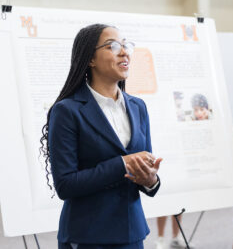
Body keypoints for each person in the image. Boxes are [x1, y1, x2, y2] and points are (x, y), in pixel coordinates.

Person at [39, 24, 163, 249]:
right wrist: (122, 164)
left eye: (126, 45)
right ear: (90, 59)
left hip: (132, 233)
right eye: (113, 46)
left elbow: (145, 167)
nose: (124, 52)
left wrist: (151, 180)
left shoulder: (138, 107)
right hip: (88, 236)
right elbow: (65, 184)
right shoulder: (67, 111)